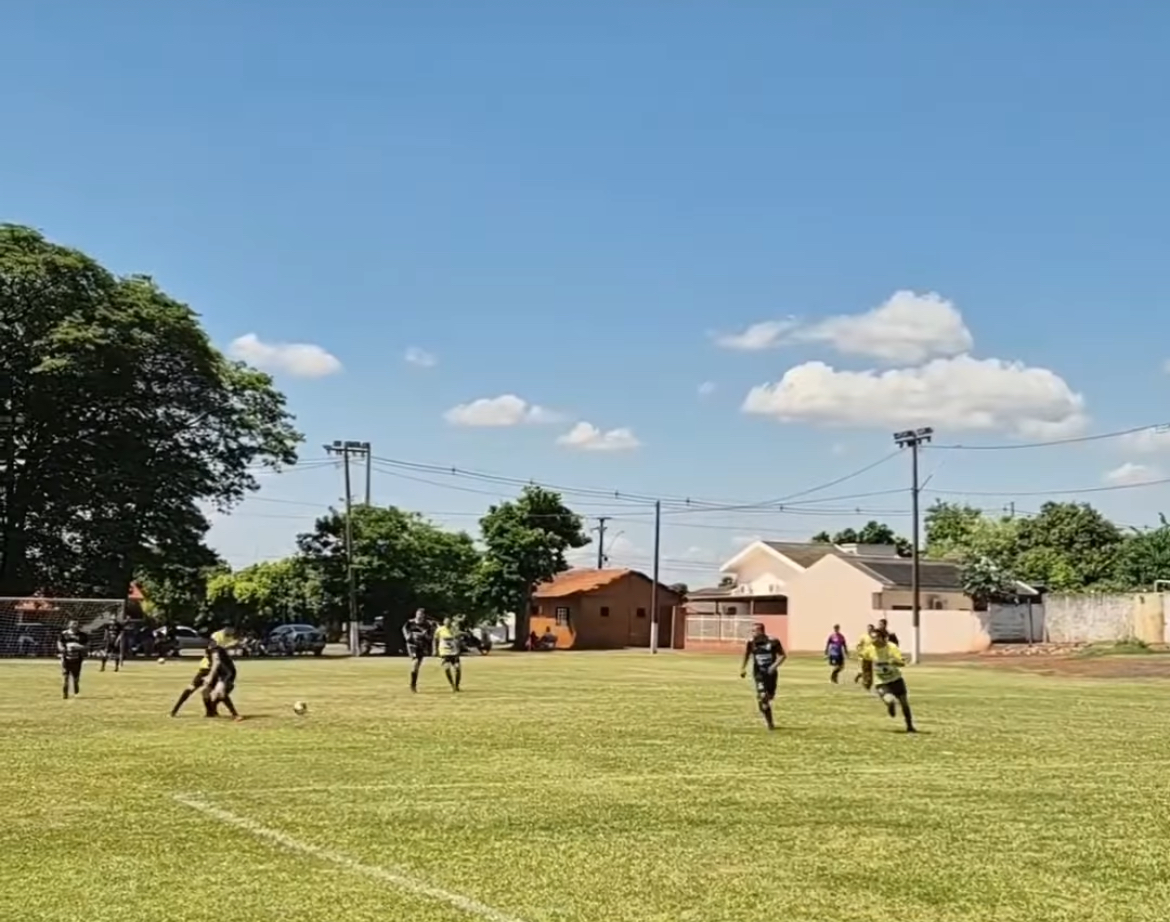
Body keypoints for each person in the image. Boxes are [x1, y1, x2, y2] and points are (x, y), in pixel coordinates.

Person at [863, 628, 916, 733]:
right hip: (881, 682)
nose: (873, 640)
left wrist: (894, 662)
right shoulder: (869, 650)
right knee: (890, 700)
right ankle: (890, 706)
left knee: (904, 703)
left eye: (876, 637)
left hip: (896, 679)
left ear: (883, 638)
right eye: (872, 637)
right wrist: (867, 678)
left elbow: (902, 663)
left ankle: (910, 726)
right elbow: (866, 664)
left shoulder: (891, 647)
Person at [739, 622, 786, 730]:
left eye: (754, 631)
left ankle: (765, 706)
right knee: (763, 697)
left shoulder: (773, 641)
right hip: (759, 674)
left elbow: (782, 655)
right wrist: (743, 668)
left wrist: (774, 666)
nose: (752, 633)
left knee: (769, 697)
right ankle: (770, 723)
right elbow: (747, 655)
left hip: (771, 675)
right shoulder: (751, 643)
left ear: (761, 631)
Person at [202, 636, 242, 720]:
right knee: (205, 691)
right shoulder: (209, 650)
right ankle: (210, 712)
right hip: (217, 674)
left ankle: (235, 714)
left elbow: (216, 663)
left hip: (226, 674)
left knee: (220, 693)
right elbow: (211, 664)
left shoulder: (217, 650)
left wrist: (210, 677)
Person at [402, 609, 432, 693]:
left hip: (421, 646)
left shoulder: (427, 625)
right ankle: (412, 685)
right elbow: (404, 629)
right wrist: (407, 636)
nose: (419, 616)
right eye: (417, 614)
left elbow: (430, 637)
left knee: (417, 666)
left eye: (421, 614)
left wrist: (425, 635)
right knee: (415, 663)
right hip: (412, 645)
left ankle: (413, 683)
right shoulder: (410, 623)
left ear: (423, 616)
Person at [58, 619, 89, 699]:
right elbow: (59, 643)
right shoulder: (64, 634)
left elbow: (87, 646)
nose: (74, 625)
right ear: (69, 625)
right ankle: (65, 691)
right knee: (66, 676)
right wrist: (61, 648)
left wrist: (77, 646)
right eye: (73, 624)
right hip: (66, 658)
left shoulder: (82, 635)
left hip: (77, 659)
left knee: (76, 676)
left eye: (76, 624)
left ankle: (76, 684)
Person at [434, 616, 462, 692]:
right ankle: (452, 685)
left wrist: (459, 649)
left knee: (457, 668)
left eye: (449, 622)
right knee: (447, 668)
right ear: (444, 622)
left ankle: (457, 685)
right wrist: (435, 650)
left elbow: (458, 640)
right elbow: (435, 640)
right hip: (444, 652)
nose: (448, 623)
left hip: (454, 652)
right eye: (446, 622)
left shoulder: (454, 629)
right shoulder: (439, 630)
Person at [854, 624, 876, 690]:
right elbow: (858, 645)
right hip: (864, 657)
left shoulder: (874, 638)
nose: (869, 630)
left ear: (873, 630)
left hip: (871, 658)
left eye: (871, 629)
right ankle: (866, 685)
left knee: (869, 673)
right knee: (866, 672)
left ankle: (861, 677)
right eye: (868, 628)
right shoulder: (863, 637)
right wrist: (859, 652)